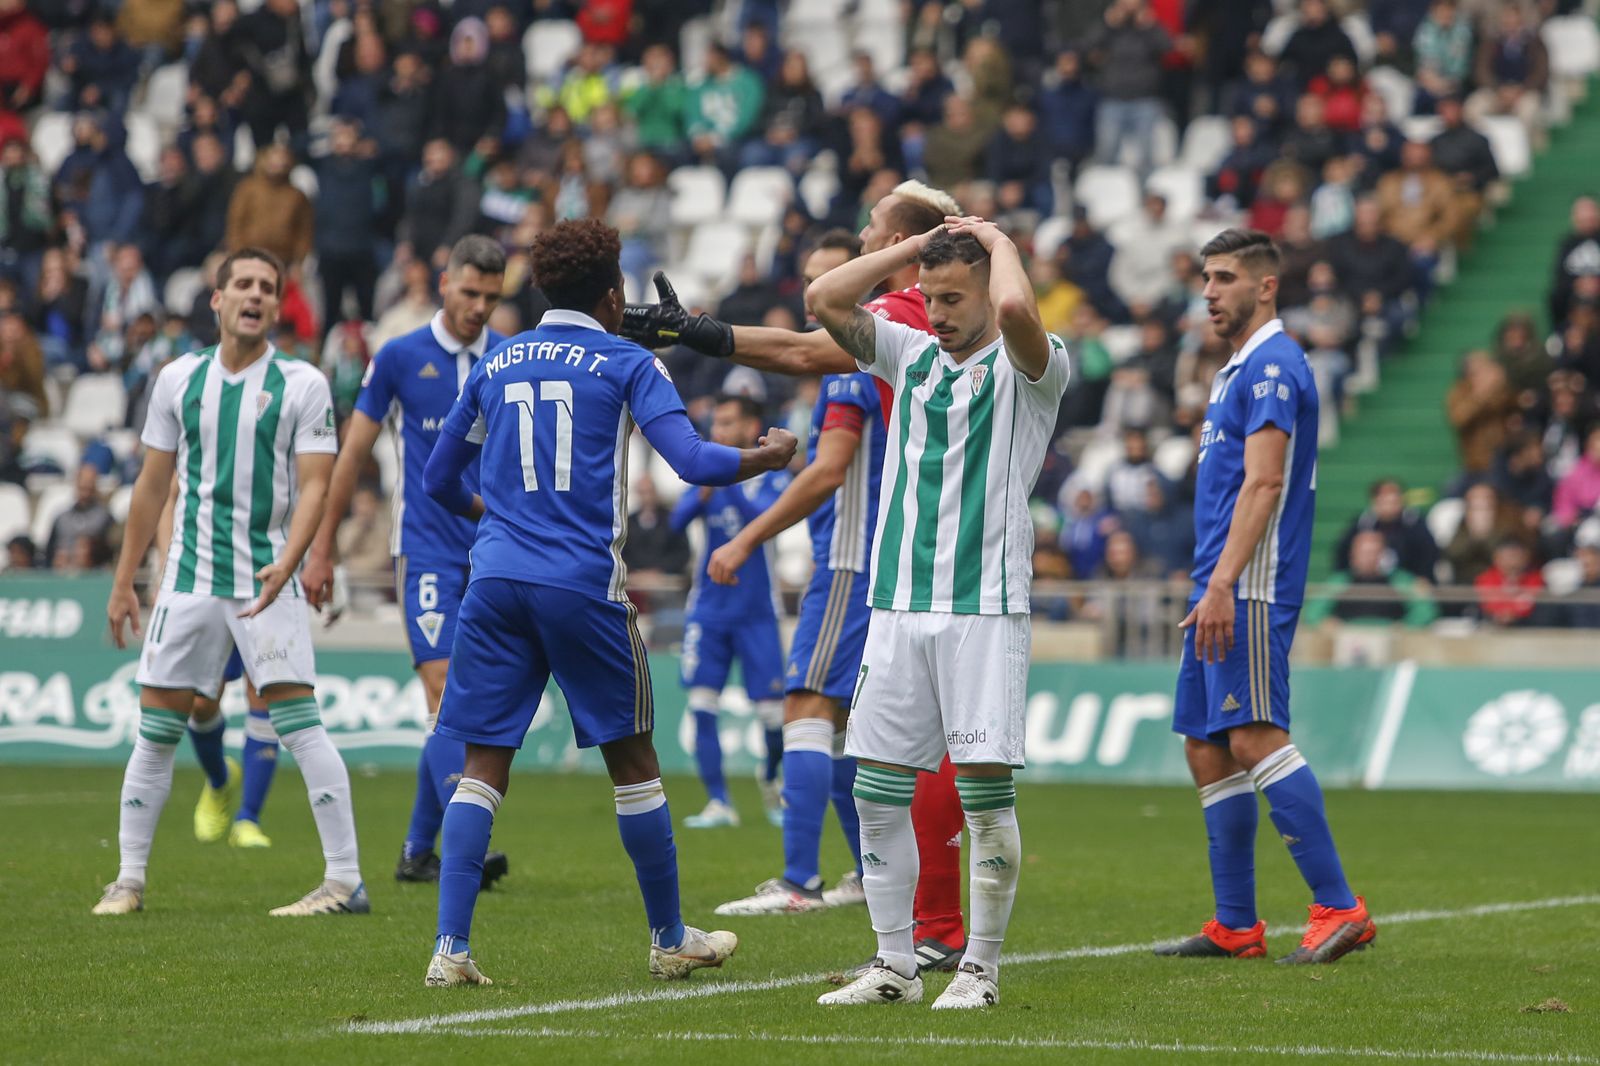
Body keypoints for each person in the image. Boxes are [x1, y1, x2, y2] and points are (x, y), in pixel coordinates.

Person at [417, 219, 797, 987]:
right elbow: (690, 462)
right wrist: (768, 457)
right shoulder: (626, 360)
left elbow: (434, 480)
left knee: (482, 766)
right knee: (635, 765)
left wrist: (491, 518)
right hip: (580, 586)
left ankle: (450, 951)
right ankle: (668, 938)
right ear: (614, 293)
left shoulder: (495, 362)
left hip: (491, 584)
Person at [620, 181, 976, 976]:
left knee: (875, 732)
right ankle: (927, 928)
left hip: (891, 560)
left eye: (871, 235)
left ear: (907, 248)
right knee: (903, 744)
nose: (860, 244)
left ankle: (852, 896)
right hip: (906, 558)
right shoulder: (927, 322)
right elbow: (802, 341)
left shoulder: (908, 318)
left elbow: (806, 348)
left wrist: (699, 333)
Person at [801, 216, 1070, 1009]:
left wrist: (1001, 243)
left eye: (955, 298)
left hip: (983, 609)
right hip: (897, 608)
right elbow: (823, 296)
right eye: (931, 297)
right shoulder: (909, 353)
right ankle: (894, 966)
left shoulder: (1035, 369)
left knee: (986, 798)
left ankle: (979, 971)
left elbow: (1021, 314)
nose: (940, 312)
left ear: (991, 290)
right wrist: (913, 253)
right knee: (875, 791)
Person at [95, 247, 366, 917]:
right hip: (186, 581)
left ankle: (343, 882)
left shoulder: (303, 384)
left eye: (267, 288)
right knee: (156, 731)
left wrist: (293, 559)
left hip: (263, 581)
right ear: (216, 301)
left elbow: (314, 486)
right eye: (242, 284)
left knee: (301, 725)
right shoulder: (176, 380)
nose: (255, 295)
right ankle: (128, 882)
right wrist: (126, 580)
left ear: (277, 307)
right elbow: (153, 484)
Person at [1156, 228, 1373, 964]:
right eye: (1204, 279)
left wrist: (1222, 583)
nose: (1209, 292)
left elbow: (1267, 482)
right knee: (1207, 745)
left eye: (1222, 278)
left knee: (1252, 736)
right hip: (1216, 581)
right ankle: (1237, 925)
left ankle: (1340, 906)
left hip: (1246, 583)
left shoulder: (1274, 364)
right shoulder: (1236, 370)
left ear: (1265, 286)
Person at [302, 236, 511, 888]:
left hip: (496, 552)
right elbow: (353, 452)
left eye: (490, 297)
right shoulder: (399, 356)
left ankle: (419, 852)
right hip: (426, 549)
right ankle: (465, 853)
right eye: (469, 292)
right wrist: (322, 547)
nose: (479, 307)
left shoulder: (509, 358)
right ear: (442, 283)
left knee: (462, 706)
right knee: (444, 688)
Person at [698, 231, 881, 914]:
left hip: (849, 560)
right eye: (808, 280)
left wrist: (746, 537)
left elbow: (831, 472)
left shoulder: (850, 366)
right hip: (884, 562)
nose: (813, 296)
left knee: (806, 706)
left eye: (828, 280)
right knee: (840, 726)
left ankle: (800, 882)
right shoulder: (891, 355)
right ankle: (869, 877)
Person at [668, 393, 791, 830]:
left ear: (750, 425)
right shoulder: (707, 476)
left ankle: (771, 779)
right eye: (715, 423)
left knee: (773, 715)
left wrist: (728, 484)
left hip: (759, 611)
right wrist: (704, 492)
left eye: (728, 423)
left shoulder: (773, 477)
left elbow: (767, 519)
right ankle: (719, 802)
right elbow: (676, 522)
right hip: (709, 611)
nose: (718, 431)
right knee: (702, 704)